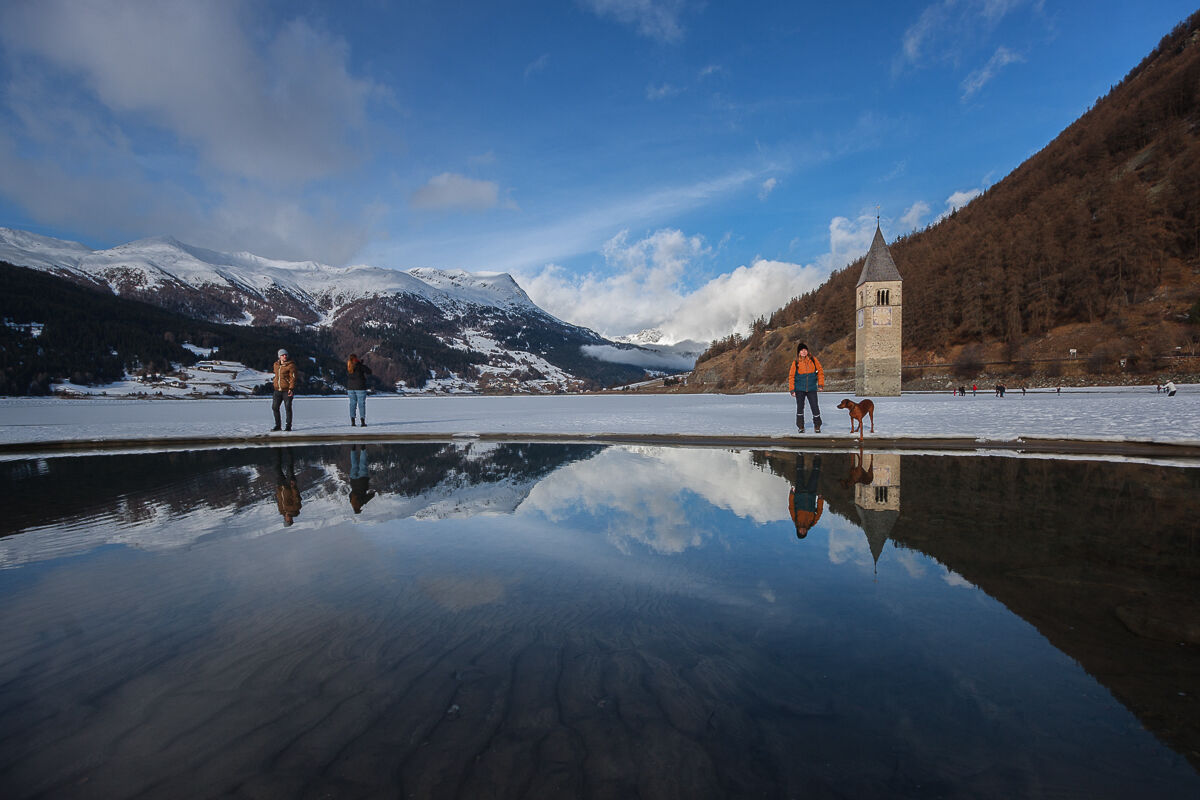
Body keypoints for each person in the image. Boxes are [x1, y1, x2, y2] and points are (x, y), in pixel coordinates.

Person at [788, 342, 825, 433]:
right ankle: (800, 426)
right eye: (801, 350)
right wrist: (792, 390)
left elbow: (820, 372)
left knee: (815, 407)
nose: (803, 352)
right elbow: (791, 376)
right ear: (799, 352)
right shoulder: (795, 362)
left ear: (807, 351)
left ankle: (817, 425)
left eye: (805, 350)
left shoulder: (813, 360)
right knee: (800, 407)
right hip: (799, 389)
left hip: (812, 388)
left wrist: (820, 384)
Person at [789, 454, 823, 539]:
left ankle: (800, 455)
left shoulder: (795, 520)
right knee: (815, 475)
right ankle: (817, 456)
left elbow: (791, 507)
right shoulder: (812, 523)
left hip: (799, 494)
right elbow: (819, 511)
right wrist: (820, 500)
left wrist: (791, 494)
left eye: (801, 532)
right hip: (811, 495)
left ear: (798, 530)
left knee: (799, 473)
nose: (803, 531)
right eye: (804, 533)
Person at [270, 348, 298, 432]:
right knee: (275, 407)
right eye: (283, 355)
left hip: (287, 390)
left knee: (288, 408)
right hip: (277, 390)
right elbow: (276, 375)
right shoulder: (276, 365)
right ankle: (277, 425)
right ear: (279, 356)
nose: (285, 356)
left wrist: (291, 388)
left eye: (286, 355)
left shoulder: (291, 365)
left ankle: (288, 426)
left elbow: (293, 378)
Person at [275, 448, 302, 526]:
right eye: (290, 520)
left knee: (277, 468)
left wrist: (278, 490)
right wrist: (293, 487)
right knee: (289, 466)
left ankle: (277, 449)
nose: (289, 519)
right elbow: (296, 496)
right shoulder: (296, 508)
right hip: (289, 485)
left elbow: (279, 500)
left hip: (281, 486)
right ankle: (288, 448)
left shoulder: (281, 511)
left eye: (288, 520)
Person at [346, 353, 373, 426]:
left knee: (352, 404)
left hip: (350, 388)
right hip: (360, 387)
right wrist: (361, 364)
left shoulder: (348, 367)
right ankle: (362, 422)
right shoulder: (359, 366)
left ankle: (353, 422)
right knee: (361, 405)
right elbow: (369, 371)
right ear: (356, 358)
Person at [349, 444, 376, 513]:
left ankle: (363, 449)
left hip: (362, 481)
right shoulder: (351, 501)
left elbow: (369, 497)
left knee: (363, 463)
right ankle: (353, 450)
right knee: (354, 464)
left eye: (360, 509)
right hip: (353, 480)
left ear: (358, 509)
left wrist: (373, 494)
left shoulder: (360, 502)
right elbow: (350, 494)